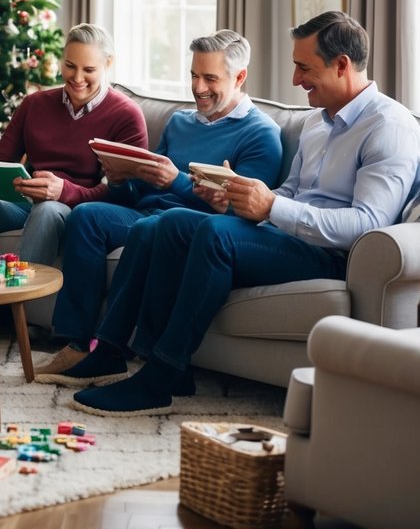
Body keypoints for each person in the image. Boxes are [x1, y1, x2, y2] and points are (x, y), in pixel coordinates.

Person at [66, 12, 420, 416]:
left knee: (214, 236)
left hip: (331, 254)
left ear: (341, 65)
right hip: (286, 235)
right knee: (168, 224)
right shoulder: (317, 123)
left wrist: (271, 206)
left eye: (304, 67)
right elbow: (292, 192)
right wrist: (244, 199)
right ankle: (123, 353)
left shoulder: (388, 126)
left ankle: (162, 376)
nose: (294, 79)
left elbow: (367, 226)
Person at [36, 30, 283, 383]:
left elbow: (242, 216)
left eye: (210, 78)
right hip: (148, 212)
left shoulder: (261, 134)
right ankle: (77, 342)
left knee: (148, 228)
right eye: (194, 75)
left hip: (188, 226)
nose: (198, 88)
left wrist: (177, 181)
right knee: (88, 216)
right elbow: (141, 192)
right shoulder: (180, 121)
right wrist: (122, 178)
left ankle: (113, 350)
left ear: (239, 77)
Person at [0, 23, 149, 369]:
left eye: (89, 70)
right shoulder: (36, 104)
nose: (77, 78)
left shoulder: (125, 116)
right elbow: (3, 161)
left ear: (108, 65)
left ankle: (8, 320)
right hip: (22, 198)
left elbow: (127, 192)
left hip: (71, 207)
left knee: (47, 210)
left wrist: (66, 191)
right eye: (70, 66)